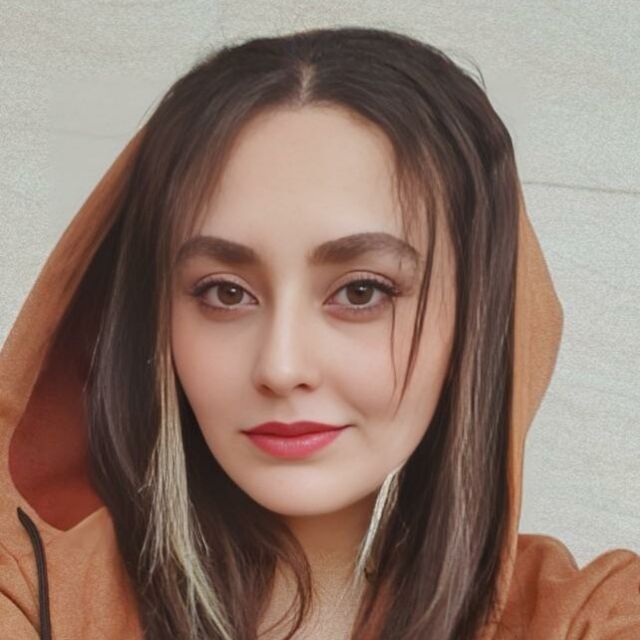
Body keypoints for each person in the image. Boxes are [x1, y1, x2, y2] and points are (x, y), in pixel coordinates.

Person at [0, 26, 638, 640]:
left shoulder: (588, 617)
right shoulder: (29, 591)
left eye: (361, 292)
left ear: (480, 314)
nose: (281, 367)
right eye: (225, 292)